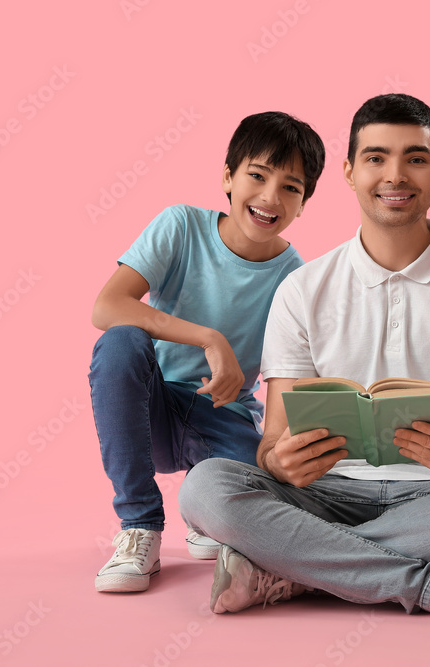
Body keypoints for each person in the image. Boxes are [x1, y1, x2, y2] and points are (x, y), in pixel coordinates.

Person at [178, 94, 430, 625]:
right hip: (322, 493)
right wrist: (276, 460)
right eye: (376, 158)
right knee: (206, 488)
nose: (395, 176)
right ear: (350, 172)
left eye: (415, 159)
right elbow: (270, 442)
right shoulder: (302, 290)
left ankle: (288, 567)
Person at [89, 111, 325, 593]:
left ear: (303, 204)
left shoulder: (296, 276)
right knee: (119, 341)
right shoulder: (181, 226)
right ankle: (140, 527)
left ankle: (208, 516)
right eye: (257, 176)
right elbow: (107, 306)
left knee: (283, 492)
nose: (269, 198)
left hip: (227, 421)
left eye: (290, 188)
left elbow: (296, 371)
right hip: (154, 407)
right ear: (228, 178)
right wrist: (209, 338)